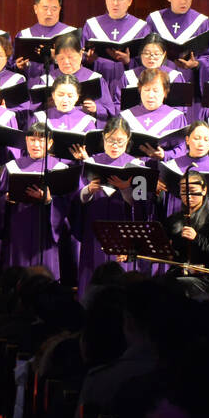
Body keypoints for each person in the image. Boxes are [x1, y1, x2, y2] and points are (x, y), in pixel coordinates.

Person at [71, 116, 151, 297]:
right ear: (103, 137)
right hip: (95, 230)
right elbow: (77, 198)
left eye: (120, 141)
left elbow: (143, 207)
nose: (114, 145)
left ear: (128, 140)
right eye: (110, 140)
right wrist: (88, 191)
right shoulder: (91, 162)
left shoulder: (139, 166)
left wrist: (125, 190)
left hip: (122, 231)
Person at [0, 124, 72, 280]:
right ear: (26, 140)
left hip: (44, 231)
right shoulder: (12, 167)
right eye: (32, 139)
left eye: (41, 140)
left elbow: (67, 204)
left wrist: (49, 200)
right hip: (19, 230)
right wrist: (6, 199)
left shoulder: (60, 169)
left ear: (50, 143)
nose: (36, 144)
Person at [146, 0, 209, 79]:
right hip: (158, 82)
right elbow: (143, 53)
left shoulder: (203, 23)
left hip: (189, 83)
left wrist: (197, 64)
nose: (183, 1)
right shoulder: (154, 20)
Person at [165, 169, 209, 296]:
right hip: (176, 273)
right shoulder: (173, 219)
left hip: (202, 278)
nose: (188, 196)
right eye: (184, 192)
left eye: (192, 192)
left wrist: (197, 237)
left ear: (204, 190)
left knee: (176, 288)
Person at [81, 0, 148, 67]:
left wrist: (128, 62)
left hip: (128, 78)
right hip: (99, 76)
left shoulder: (141, 27)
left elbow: (146, 62)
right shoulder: (92, 25)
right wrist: (88, 59)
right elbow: (79, 55)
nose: (115, 3)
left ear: (130, 1)